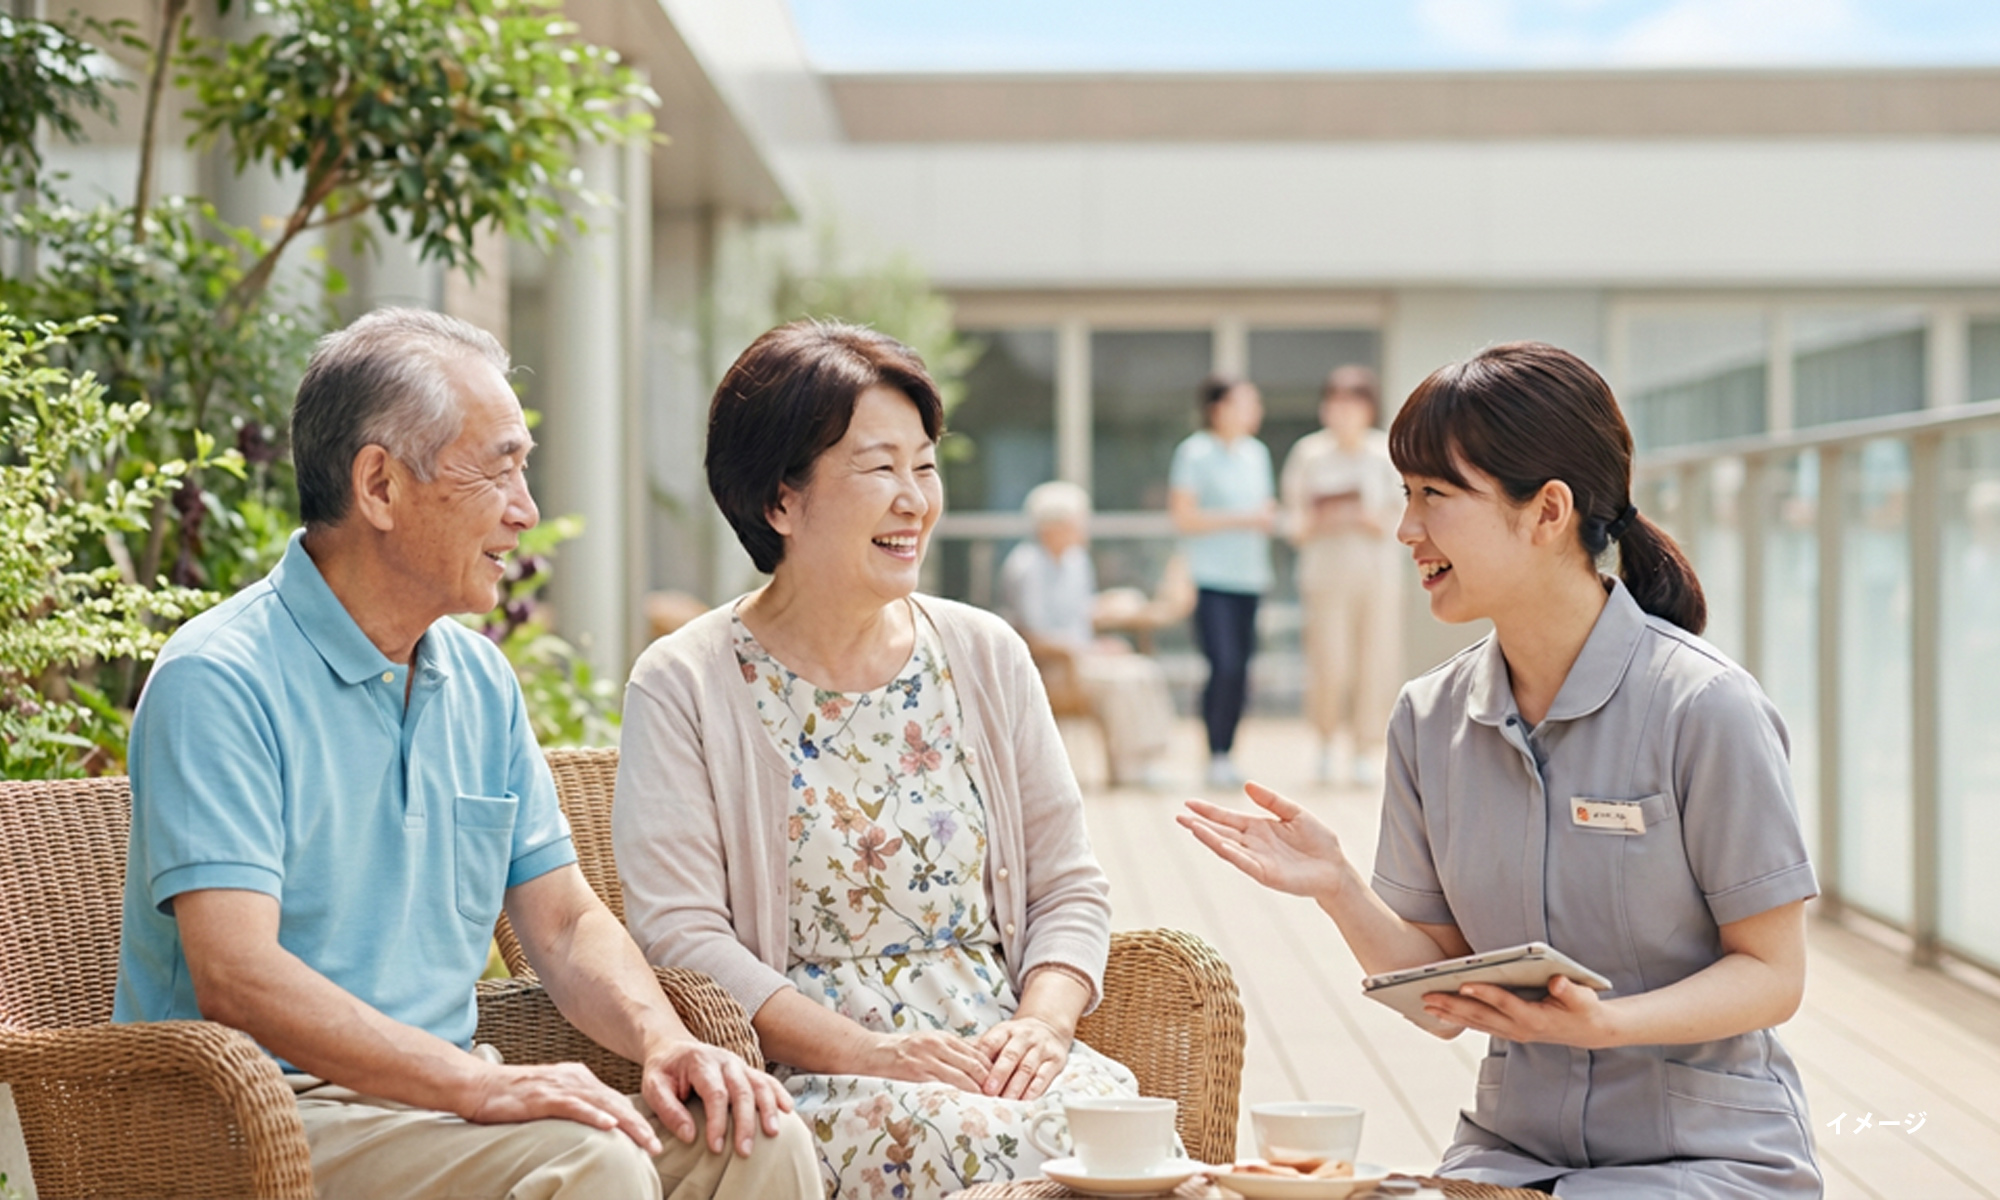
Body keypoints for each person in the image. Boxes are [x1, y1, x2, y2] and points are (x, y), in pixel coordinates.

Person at [113, 308, 817, 1200]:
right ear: (380, 486)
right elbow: (237, 976)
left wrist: (663, 1039)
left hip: (435, 1107)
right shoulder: (220, 678)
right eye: (500, 471)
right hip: (262, 1120)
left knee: (757, 1138)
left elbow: (560, 923)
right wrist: (482, 1086)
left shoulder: (479, 681)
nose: (527, 512)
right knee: (591, 1166)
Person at [1180, 342, 1821, 1198]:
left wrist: (1606, 1027)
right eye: (1405, 495)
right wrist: (1336, 885)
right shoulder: (1428, 718)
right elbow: (1436, 989)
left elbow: (1774, 974)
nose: (1406, 528)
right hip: (1510, 1158)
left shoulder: (1703, 707)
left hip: (1707, 1158)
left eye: (1434, 496)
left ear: (1546, 510)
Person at [613, 320, 1143, 1199]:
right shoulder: (686, 681)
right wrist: (877, 1054)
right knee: (995, 1146)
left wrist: (1044, 1027)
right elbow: (679, 932)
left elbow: (1068, 886)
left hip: (999, 1055)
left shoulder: (985, 652)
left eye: (924, 465)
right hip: (815, 1074)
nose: (915, 500)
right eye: (879, 468)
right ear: (779, 500)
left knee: (1111, 1126)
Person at [999, 480, 1177, 789]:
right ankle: (1130, 767)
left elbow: (1078, 615)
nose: (1084, 529)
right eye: (1077, 522)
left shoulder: (1076, 562)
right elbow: (1032, 632)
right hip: (1054, 665)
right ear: (1052, 527)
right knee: (1123, 681)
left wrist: (1104, 629)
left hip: (1082, 655)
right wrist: (1086, 650)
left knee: (1143, 670)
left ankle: (1146, 760)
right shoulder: (1025, 566)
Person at [1279, 365, 1403, 786]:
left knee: (1376, 660)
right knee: (1328, 662)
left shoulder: (1386, 453)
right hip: (1324, 574)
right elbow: (1292, 523)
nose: (1344, 414)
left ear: (1369, 409)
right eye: (1336, 404)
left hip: (1376, 575)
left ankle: (1367, 747)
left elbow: (1403, 519)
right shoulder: (1309, 455)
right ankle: (1326, 743)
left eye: (1353, 405)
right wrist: (1320, 517)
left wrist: (1367, 517)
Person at [1168, 373, 1276, 788]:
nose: (1254, 412)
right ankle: (1214, 752)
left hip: (1251, 577)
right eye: (1245, 403)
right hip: (1209, 578)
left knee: (1243, 669)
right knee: (1222, 665)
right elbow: (1184, 517)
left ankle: (1229, 752)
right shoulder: (1194, 454)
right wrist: (1244, 519)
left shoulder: (1257, 454)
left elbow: (1265, 510)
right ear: (1218, 409)